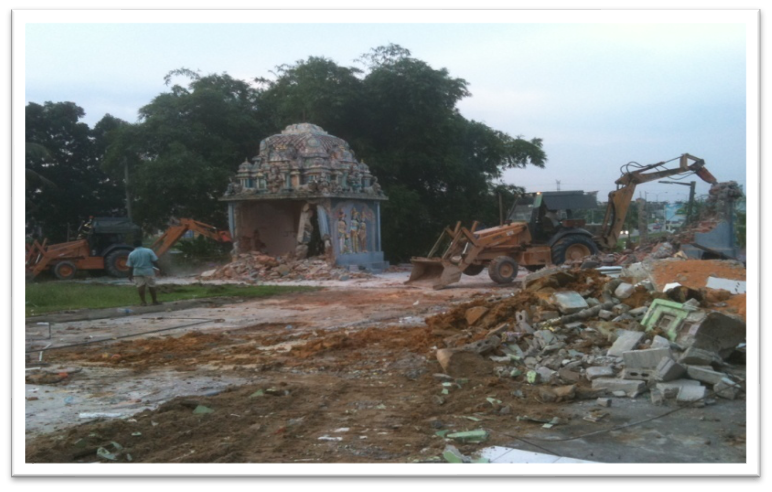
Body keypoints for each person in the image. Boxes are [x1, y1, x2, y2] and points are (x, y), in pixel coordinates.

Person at [126, 239, 161, 306]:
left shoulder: (131, 254)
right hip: (148, 271)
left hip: (137, 272)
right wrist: (158, 268)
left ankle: (143, 302)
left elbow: (130, 266)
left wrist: (130, 275)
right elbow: (154, 261)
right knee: (151, 286)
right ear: (141, 244)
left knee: (140, 286)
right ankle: (154, 301)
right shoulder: (148, 251)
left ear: (134, 246)